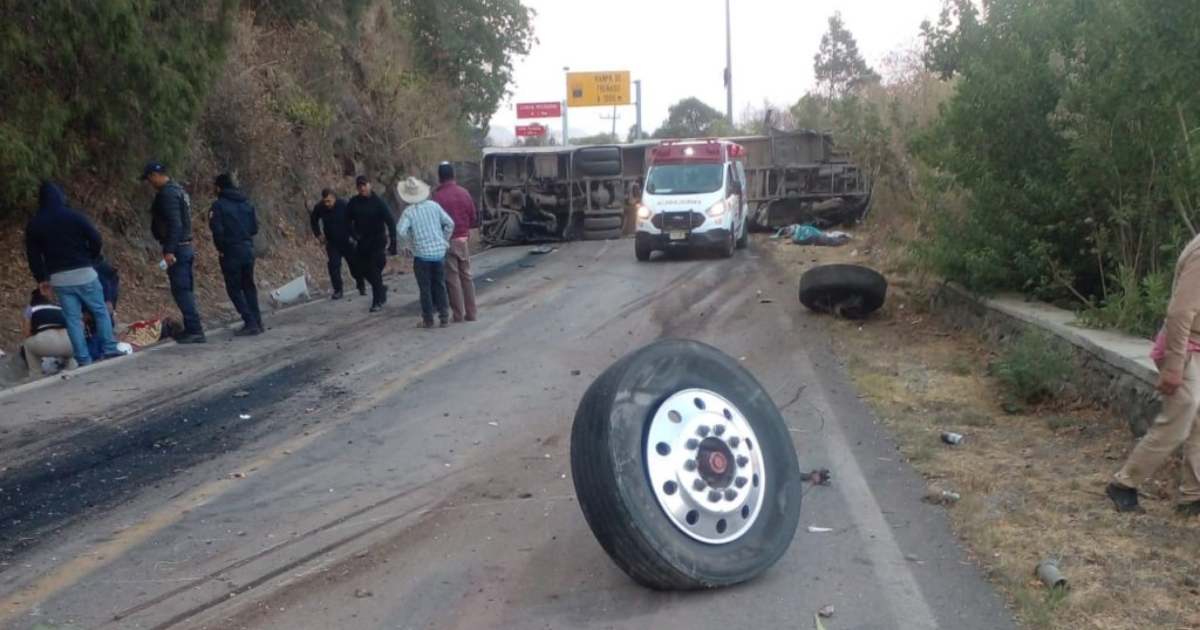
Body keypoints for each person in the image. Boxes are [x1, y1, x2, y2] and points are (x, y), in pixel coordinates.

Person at [1108, 231, 1200, 516]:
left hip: (1194, 346)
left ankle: (1193, 497)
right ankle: (1124, 484)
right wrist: (1174, 367)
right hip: (1183, 349)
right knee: (1179, 419)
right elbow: (1180, 311)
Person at [25, 181, 122, 367]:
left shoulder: (35, 224)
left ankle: (83, 359)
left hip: (59, 279)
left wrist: (41, 279)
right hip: (84, 272)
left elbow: (33, 256)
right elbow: (95, 238)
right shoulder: (74, 216)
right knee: (100, 311)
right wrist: (90, 257)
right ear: (61, 197)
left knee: (72, 319)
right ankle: (110, 348)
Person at [142, 160, 205, 343]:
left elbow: (175, 223)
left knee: (181, 290)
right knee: (185, 289)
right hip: (185, 246)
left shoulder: (168, 194)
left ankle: (195, 330)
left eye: (149, 179)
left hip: (178, 249)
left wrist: (169, 250)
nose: (150, 183)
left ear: (154, 175)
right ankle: (192, 328)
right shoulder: (179, 190)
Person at [209, 173, 264, 336]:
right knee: (248, 286)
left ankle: (250, 321)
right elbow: (255, 228)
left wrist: (221, 248)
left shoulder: (218, 206)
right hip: (248, 249)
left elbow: (217, 231)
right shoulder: (247, 202)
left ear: (218, 187)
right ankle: (257, 320)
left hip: (231, 251)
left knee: (233, 288)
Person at [396, 176, 454, 328]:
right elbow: (450, 223)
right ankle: (444, 317)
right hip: (438, 253)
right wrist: (444, 240)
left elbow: (400, 230)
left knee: (425, 289)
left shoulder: (409, 212)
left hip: (421, 255)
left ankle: (428, 319)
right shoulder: (434, 206)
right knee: (440, 285)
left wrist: (408, 245)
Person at [430, 162, 478, 323]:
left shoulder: (437, 197)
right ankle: (471, 313)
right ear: (453, 175)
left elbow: (434, 222)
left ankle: (458, 315)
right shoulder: (464, 193)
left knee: (452, 278)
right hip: (463, 240)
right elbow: (473, 218)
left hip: (447, 242)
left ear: (439, 177)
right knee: (467, 276)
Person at [345, 175, 398, 313]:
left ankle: (376, 301)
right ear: (357, 188)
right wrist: (354, 235)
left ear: (370, 185)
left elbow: (391, 222)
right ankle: (380, 289)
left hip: (378, 241)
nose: (362, 188)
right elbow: (345, 221)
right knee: (358, 269)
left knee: (374, 271)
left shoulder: (379, 203)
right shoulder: (353, 203)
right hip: (362, 242)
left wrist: (393, 244)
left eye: (364, 185)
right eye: (359, 186)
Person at [310, 188, 364, 300]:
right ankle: (338, 290)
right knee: (334, 266)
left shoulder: (344, 205)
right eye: (325, 201)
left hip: (347, 240)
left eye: (329, 201)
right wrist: (318, 234)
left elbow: (357, 219)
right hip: (332, 242)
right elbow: (313, 219)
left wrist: (355, 237)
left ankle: (360, 283)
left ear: (334, 198)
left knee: (355, 265)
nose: (327, 204)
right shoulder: (320, 207)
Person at [21, 288, 76, 378]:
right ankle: (72, 366)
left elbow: (27, 333)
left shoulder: (30, 309)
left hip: (47, 343)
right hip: (69, 343)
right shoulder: (57, 307)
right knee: (69, 344)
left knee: (27, 344)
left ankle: (36, 375)